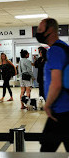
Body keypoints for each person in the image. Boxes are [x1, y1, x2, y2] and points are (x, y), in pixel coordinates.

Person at [36, 18, 69, 152]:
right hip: (64, 109)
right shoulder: (64, 47)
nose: (37, 32)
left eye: (39, 29)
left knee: (46, 151)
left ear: (49, 30)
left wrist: (48, 104)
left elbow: (56, 83)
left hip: (61, 111)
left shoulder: (55, 51)